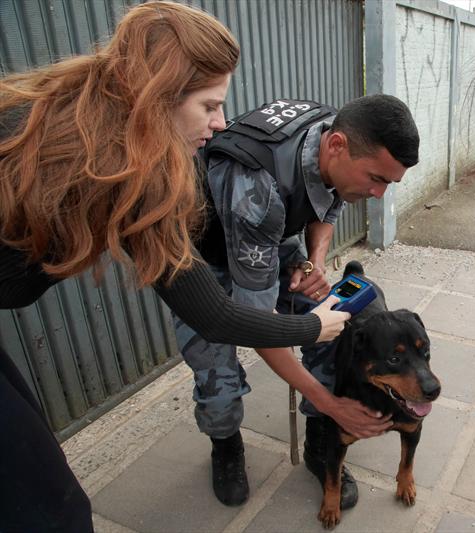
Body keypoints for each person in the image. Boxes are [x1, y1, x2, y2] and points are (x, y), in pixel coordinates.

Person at [0, 3, 351, 531]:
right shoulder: (23, 137)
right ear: (154, 97)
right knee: (50, 512)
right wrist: (312, 326)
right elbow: (218, 316)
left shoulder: (140, 174)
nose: (220, 123)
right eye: (210, 105)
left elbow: (208, 309)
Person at [180, 93, 420, 507]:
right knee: (216, 377)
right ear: (336, 146)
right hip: (201, 263)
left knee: (338, 325)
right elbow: (258, 328)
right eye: (376, 179)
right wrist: (336, 404)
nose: (379, 194)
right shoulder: (256, 191)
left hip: (266, 242)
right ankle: (226, 444)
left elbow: (326, 205)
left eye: (389, 183)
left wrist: (313, 264)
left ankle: (319, 443)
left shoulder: (338, 132)